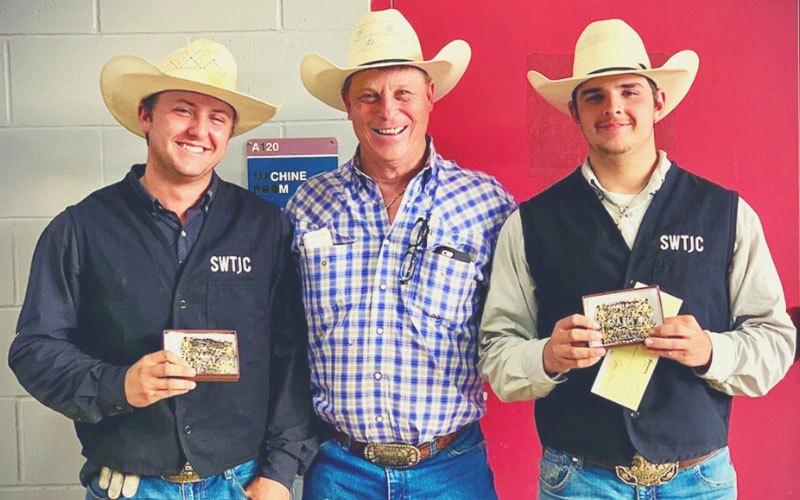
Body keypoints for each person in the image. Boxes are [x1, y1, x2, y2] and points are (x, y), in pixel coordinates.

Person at [478, 19, 796, 499]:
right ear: (574, 111)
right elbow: (496, 352)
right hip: (578, 480)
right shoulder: (530, 223)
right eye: (594, 96)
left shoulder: (726, 213)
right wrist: (545, 355)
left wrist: (711, 350)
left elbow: (775, 340)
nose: (614, 108)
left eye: (629, 91)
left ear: (658, 101)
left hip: (699, 481)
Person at [8, 39, 316, 500]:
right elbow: (34, 349)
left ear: (229, 133)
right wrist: (117, 384)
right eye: (183, 110)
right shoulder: (80, 228)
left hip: (242, 484)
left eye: (217, 118)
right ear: (145, 116)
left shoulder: (266, 228)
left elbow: (291, 355)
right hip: (130, 487)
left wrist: (280, 471)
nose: (199, 130)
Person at [286, 9, 516, 499]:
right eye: (369, 96)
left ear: (429, 97)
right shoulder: (306, 205)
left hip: (451, 469)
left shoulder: (487, 204)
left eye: (403, 93)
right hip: (338, 469)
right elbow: (280, 335)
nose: (387, 112)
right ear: (348, 105)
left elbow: (516, 328)